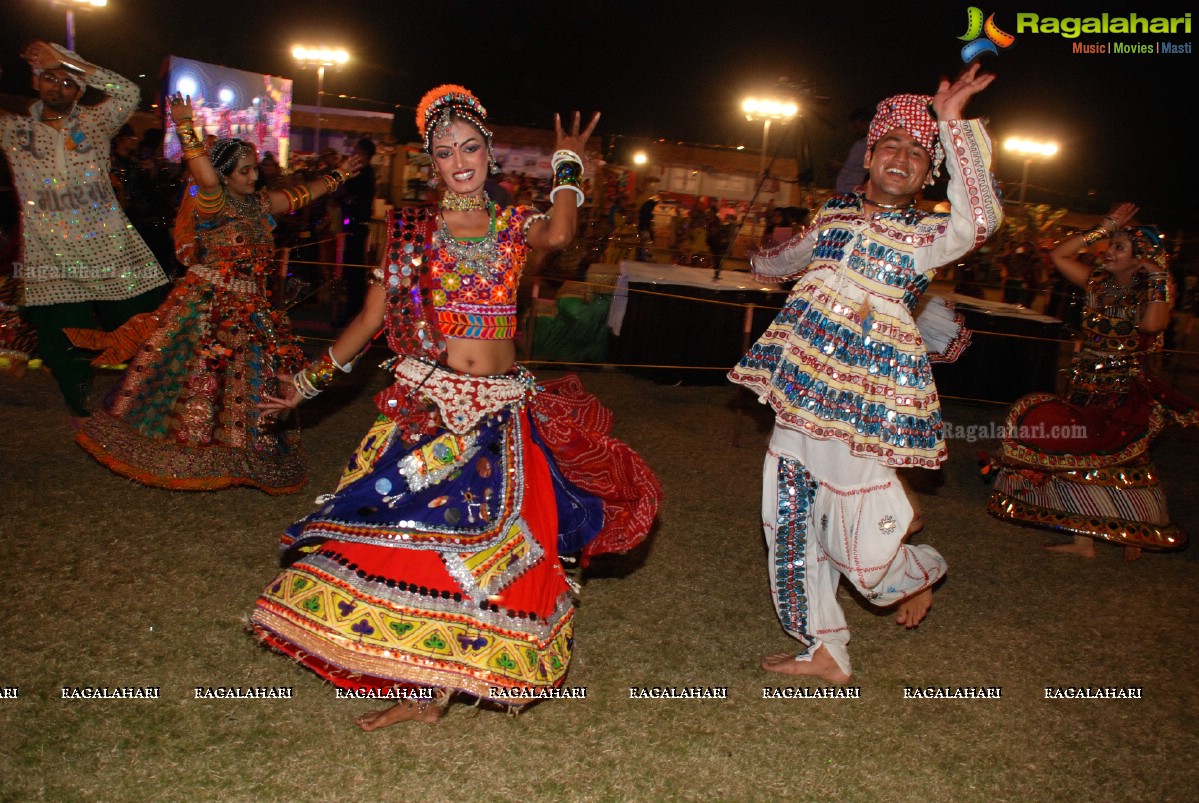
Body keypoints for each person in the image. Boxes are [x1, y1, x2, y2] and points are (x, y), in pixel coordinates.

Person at [250, 85, 660, 729]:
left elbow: (559, 232)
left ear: (490, 154)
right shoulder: (413, 229)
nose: (459, 160)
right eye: (445, 152)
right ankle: (420, 689)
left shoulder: (510, 223)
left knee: (498, 549)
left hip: (500, 408)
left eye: (470, 147)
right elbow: (371, 316)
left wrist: (567, 167)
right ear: (430, 164)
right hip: (433, 403)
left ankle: (455, 678)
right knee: (412, 540)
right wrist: (307, 383)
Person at [728, 64, 1003, 684]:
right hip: (800, 391)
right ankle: (825, 649)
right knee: (789, 523)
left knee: (860, 548)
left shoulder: (930, 234)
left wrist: (953, 126)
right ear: (870, 155)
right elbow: (787, 260)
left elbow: (980, 220)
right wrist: (763, 256)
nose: (902, 156)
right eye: (890, 145)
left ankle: (916, 570)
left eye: (916, 150)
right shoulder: (833, 216)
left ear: (930, 171)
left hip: (861, 404)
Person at [65, 93, 363, 493]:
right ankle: (183, 454)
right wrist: (186, 128)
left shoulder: (259, 204)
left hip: (253, 309)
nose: (253, 177)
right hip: (209, 308)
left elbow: (298, 196)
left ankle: (243, 458)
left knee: (249, 384)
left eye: (255, 169)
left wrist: (340, 175)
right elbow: (204, 174)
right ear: (224, 175)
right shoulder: (213, 201)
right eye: (243, 171)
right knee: (195, 382)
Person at [988, 203, 1197, 560]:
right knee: (1076, 455)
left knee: (1122, 462)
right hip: (1085, 383)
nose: (1107, 252)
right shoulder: (1096, 282)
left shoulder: (1150, 291)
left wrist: (1159, 277)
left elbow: (1151, 326)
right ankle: (1084, 541)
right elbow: (1058, 255)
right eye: (1108, 246)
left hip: (1123, 389)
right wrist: (1105, 228)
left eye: (1118, 248)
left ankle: (1135, 529)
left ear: (1140, 258)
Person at [0, 41, 167, 426]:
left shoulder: (95, 123)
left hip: (112, 252)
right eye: (49, 78)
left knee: (144, 332)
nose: (57, 87)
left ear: (80, 89)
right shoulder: (14, 130)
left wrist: (69, 61)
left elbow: (129, 92)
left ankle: (150, 404)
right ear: (35, 82)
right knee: (62, 346)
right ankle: (84, 413)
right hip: (49, 258)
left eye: (67, 82)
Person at [336, 138, 377, 326]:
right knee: (352, 269)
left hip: (356, 226)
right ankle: (352, 308)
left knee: (353, 269)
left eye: (356, 150)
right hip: (356, 225)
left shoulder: (362, 174)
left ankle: (353, 310)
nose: (353, 153)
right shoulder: (366, 174)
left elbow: (346, 195)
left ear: (363, 153)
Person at [832, 105, 872, 194]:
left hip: (855, 193)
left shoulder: (873, 144)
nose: (855, 131)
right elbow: (855, 167)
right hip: (844, 191)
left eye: (856, 126)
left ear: (866, 123)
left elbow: (868, 170)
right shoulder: (859, 143)